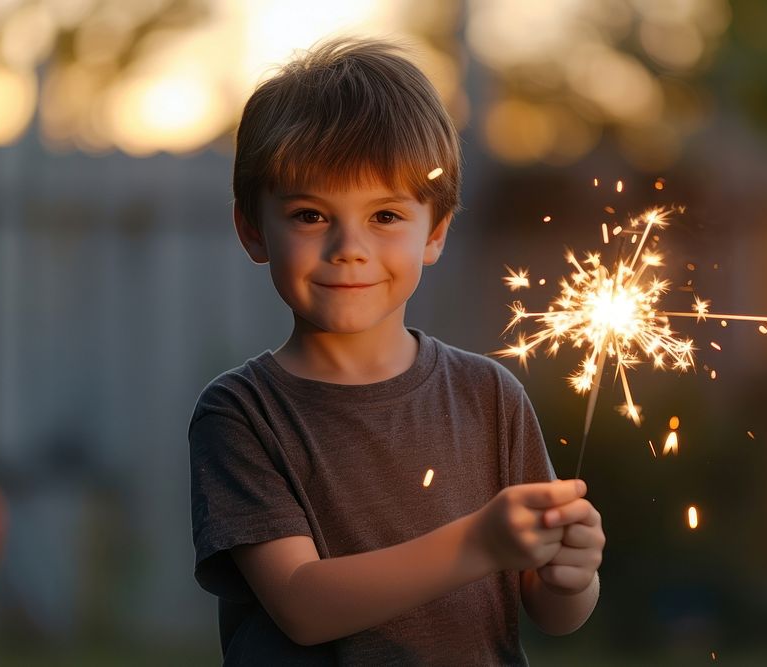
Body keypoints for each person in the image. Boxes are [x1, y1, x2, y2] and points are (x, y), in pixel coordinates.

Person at [189, 37, 606, 665]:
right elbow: (302, 605)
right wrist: (479, 543)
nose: (348, 248)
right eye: (309, 215)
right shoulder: (243, 414)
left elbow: (551, 612)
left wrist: (571, 574)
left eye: (385, 216)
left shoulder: (490, 396)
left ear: (434, 232)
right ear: (252, 228)